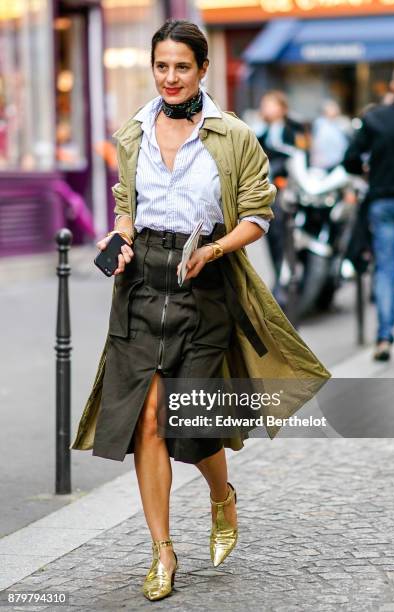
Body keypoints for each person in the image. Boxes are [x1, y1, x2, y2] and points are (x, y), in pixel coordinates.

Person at [70, 20, 330, 602]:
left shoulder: (234, 136)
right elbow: (124, 205)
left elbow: (257, 215)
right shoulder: (133, 133)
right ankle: (162, 550)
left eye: (181, 67)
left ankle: (221, 497)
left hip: (205, 286)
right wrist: (121, 238)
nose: (169, 77)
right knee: (147, 418)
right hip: (141, 288)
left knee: (191, 423)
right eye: (161, 66)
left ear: (202, 70)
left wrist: (213, 249)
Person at [343, 63, 394, 361]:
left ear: (393, 87)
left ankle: (384, 337)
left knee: (385, 270)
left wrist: (368, 171)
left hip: (383, 201)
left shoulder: (374, 119)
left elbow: (350, 160)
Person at [256, 90, 306, 306]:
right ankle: (279, 279)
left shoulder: (293, 130)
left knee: (285, 238)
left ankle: (287, 282)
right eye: (265, 104)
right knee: (272, 237)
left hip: (289, 193)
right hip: (268, 193)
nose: (267, 109)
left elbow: (300, 156)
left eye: (271, 104)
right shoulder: (261, 133)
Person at [311, 99, 350, 171]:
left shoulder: (338, 124)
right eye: (333, 109)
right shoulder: (321, 124)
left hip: (337, 162)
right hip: (325, 164)